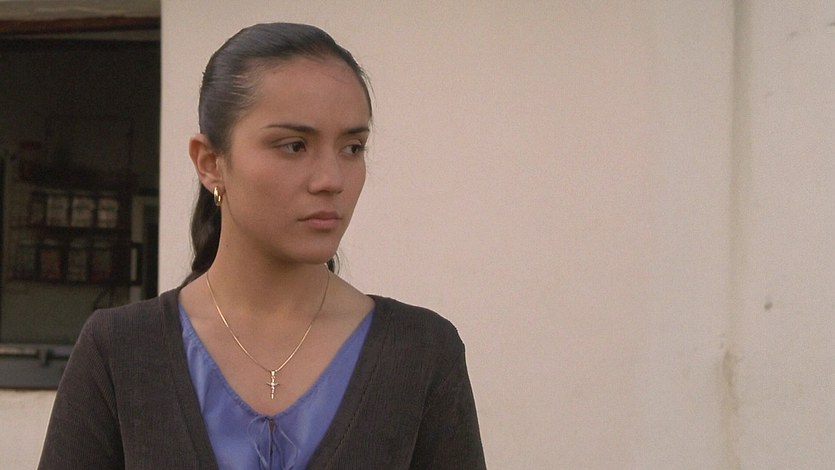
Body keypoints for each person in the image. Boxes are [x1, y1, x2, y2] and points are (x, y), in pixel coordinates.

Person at [38, 22, 485, 469]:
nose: (331, 179)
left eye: (352, 148)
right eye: (294, 146)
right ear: (210, 163)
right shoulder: (121, 350)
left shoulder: (420, 352)